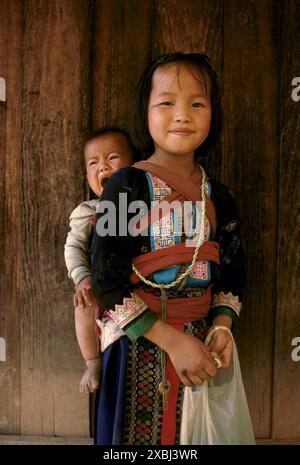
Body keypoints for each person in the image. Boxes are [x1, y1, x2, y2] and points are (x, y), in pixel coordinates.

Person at [91, 53, 248, 445]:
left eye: (197, 103)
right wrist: (174, 342)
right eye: (166, 103)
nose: (182, 115)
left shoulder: (219, 197)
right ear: (144, 112)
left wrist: (223, 325)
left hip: (200, 344)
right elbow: (106, 279)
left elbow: (231, 270)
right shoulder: (125, 187)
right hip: (136, 344)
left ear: (213, 114)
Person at [64, 127, 136, 394]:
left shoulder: (142, 208)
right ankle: (92, 362)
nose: (102, 165)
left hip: (133, 286)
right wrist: (83, 279)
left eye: (113, 157)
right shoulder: (88, 211)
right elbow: (73, 247)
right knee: (82, 305)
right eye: (93, 162)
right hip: (97, 286)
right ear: (87, 175)